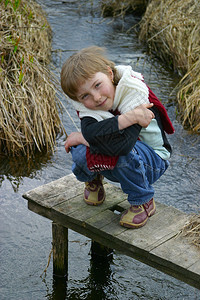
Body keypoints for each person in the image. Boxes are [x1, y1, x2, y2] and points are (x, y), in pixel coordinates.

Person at [60, 46, 174, 229]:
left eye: (98, 85)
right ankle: (94, 179)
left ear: (110, 74)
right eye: (85, 95)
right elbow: (90, 133)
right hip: (122, 154)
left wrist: (133, 116)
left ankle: (143, 200)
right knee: (78, 149)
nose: (96, 98)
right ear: (78, 99)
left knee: (119, 152)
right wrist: (85, 137)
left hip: (152, 161)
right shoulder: (88, 107)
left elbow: (122, 147)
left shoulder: (136, 95)